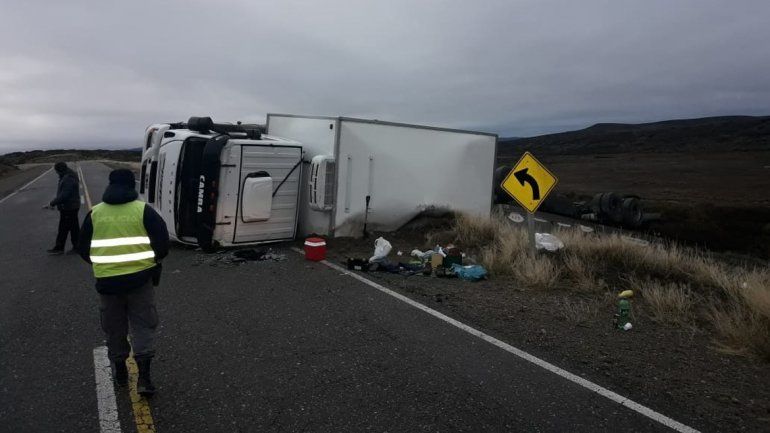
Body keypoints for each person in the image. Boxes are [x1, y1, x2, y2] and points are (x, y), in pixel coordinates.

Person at [78, 169, 169, 396]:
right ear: (132, 186)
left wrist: (104, 265)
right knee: (143, 326)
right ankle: (145, 378)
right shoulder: (143, 210)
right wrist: (150, 261)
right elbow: (163, 244)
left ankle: (120, 372)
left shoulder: (95, 213)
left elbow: (83, 249)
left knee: (114, 328)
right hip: (140, 280)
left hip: (107, 284)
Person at [47, 162, 81, 254]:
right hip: (70, 206)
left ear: (59, 170)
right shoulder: (67, 175)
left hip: (69, 207)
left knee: (65, 228)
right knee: (72, 228)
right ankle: (73, 247)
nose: (56, 173)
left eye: (56, 171)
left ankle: (60, 248)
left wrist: (52, 203)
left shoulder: (68, 178)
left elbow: (64, 195)